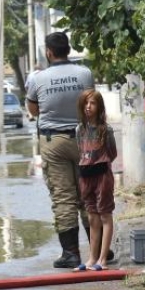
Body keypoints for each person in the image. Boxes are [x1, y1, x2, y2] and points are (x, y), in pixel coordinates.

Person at [26, 32, 104, 268]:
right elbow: (92, 103)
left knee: (64, 197)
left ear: (49, 52)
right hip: (86, 140)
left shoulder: (38, 79)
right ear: (68, 50)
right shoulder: (84, 74)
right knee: (89, 194)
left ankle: (71, 253)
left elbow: (33, 110)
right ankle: (99, 250)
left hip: (54, 142)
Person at [73, 89, 117, 272]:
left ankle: (103, 259)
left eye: (92, 103)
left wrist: (100, 163)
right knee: (92, 217)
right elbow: (80, 151)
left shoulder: (106, 129)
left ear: (99, 107)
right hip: (86, 176)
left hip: (102, 176)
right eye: (85, 103)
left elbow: (112, 153)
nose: (88, 107)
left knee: (105, 215)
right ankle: (91, 258)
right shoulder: (79, 130)